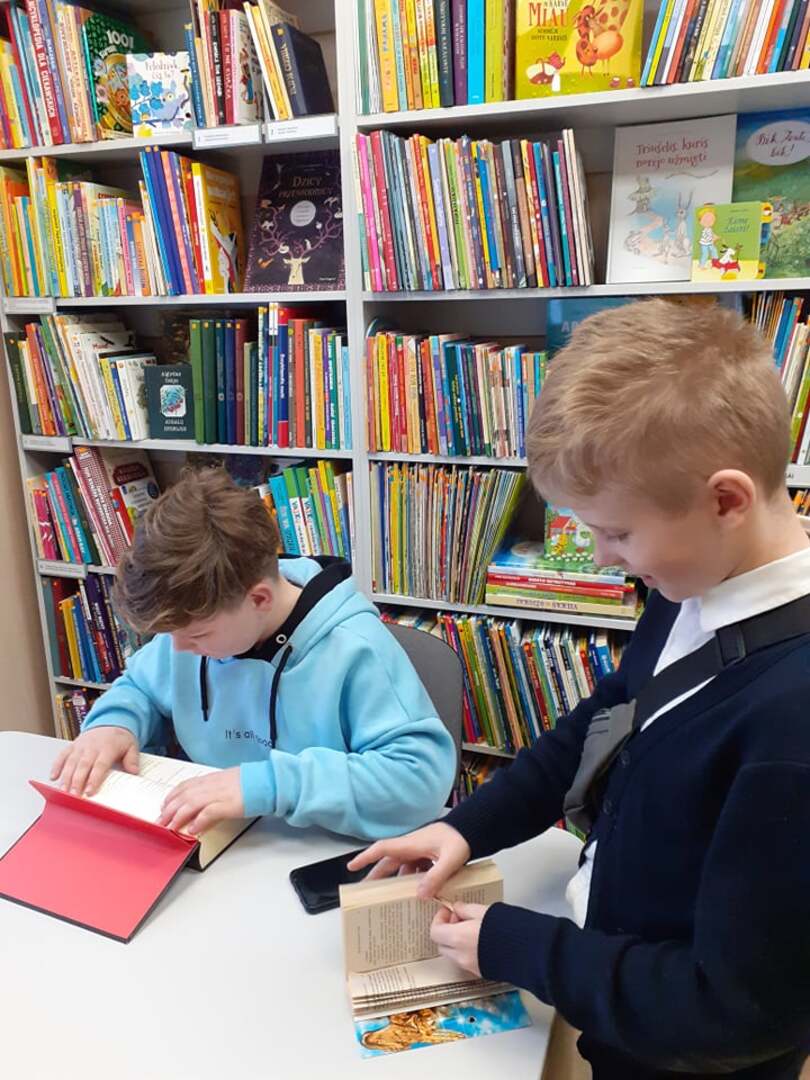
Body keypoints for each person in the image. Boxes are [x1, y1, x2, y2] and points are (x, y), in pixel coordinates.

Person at [351, 299, 810, 1078]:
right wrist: (469, 827)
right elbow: (609, 720)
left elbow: (732, 1012)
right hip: (612, 980)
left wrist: (518, 946)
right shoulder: (690, 585)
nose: (600, 558)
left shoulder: (791, 728)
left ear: (726, 500)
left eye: (617, 532)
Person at [51, 467, 456, 840]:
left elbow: (418, 780)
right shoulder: (199, 619)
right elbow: (140, 686)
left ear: (259, 599)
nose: (177, 649)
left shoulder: (355, 648)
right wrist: (115, 724)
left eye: (196, 635)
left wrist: (266, 785)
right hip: (221, 844)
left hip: (311, 850)